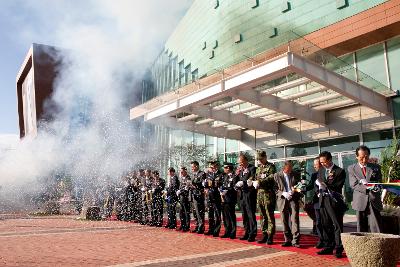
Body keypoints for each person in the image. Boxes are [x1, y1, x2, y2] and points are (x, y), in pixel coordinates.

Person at [316, 151, 346, 258]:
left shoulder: (339, 171)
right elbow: (317, 182)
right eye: (321, 162)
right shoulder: (320, 170)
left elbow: (338, 185)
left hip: (334, 201)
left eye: (324, 162)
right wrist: (318, 191)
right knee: (325, 224)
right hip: (322, 200)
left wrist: (325, 185)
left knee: (337, 224)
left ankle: (339, 247)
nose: (322, 164)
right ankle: (329, 246)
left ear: (329, 160)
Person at [348, 145, 383, 233]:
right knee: (361, 227)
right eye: (361, 158)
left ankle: (377, 245)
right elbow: (353, 184)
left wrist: (374, 187)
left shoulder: (376, 167)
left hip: (373, 199)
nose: (364, 160)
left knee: (376, 226)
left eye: (366, 157)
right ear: (356, 157)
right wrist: (366, 187)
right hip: (359, 200)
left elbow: (379, 182)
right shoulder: (352, 168)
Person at [274, 161, 302, 248]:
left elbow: (300, 185)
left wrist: (294, 191)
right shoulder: (277, 175)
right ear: (284, 168)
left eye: (291, 168)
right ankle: (287, 240)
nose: (290, 170)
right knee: (284, 220)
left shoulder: (296, 174)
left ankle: (295, 240)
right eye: (288, 169)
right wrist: (283, 193)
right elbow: (274, 188)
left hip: (293, 199)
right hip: (282, 200)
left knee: (294, 219)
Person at [254, 150, 277, 244]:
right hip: (259, 194)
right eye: (258, 159)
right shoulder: (258, 168)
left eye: (260, 159)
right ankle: (264, 234)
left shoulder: (271, 166)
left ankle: (270, 235)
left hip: (268, 195)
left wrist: (261, 182)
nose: (259, 161)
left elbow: (272, 177)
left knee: (269, 215)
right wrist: (252, 181)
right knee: (262, 216)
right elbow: (256, 177)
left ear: (265, 157)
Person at [235, 154, 257, 242]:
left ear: (245, 161)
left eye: (241, 163)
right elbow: (237, 179)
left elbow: (251, 180)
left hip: (249, 195)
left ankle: (253, 233)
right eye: (239, 163)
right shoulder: (240, 170)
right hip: (242, 195)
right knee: (244, 215)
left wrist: (243, 183)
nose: (240, 164)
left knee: (250, 215)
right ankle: (247, 232)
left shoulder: (252, 168)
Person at [303, 157, 324, 248]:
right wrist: (300, 189)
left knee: (326, 222)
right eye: (314, 165)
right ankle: (321, 240)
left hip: (326, 200)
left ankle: (330, 240)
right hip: (317, 201)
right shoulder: (314, 175)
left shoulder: (327, 173)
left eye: (317, 164)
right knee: (318, 222)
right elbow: (310, 185)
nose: (315, 166)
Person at [204, 160, 223, 237]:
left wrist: (214, 183)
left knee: (217, 214)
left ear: (217, 166)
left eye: (213, 166)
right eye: (211, 167)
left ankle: (216, 230)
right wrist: (205, 185)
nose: (212, 168)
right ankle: (211, 229)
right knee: (210, 214)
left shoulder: (221, 174)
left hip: (217, 196)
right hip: (209, 196)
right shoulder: (208, 174)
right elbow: (206, 184)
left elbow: (221, 184)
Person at [220, 162, 239, 239]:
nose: (224, 169)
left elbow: (235, 188)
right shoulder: (225, 176)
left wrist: (226, 190)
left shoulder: (235, 176)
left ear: (228, 168)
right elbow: (223, 185)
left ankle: (233, 232)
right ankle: (227, 231)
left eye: (225, 168)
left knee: (231, 216)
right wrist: (221, 190)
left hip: (231, 199)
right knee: (225, 216)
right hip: (224, 199)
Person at [190, 161, 206, 234]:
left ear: (196, 166)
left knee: (199, 212)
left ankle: (201, 227)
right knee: (195, 212)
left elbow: (202, 184)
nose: (192, 168)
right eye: (191, 167)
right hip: (194, 195)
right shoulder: (194, 175)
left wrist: (193, 184)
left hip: (199, 195)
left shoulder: (202, 174)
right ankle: (197, 225)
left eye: (193, 167)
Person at [177, 166, 191, 232]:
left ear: (186, 171)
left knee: (186, 212)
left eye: (182, 171)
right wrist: (178, 191)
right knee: (181, 212)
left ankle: (187, 226)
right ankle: (182, 225)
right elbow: (180, 187)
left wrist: (180, 191)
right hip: (181, 197)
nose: (181, 173)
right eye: (181, 171)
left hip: (186, 197)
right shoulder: (181, 178)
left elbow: (186, 188)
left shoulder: (188, 178)